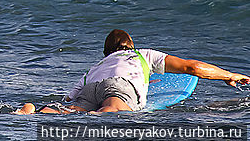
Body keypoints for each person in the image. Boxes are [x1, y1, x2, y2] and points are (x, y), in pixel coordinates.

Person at [15, 29, 249, 114]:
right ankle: (100, 113)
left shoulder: (94, 67)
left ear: (107, 52)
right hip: (120, 86)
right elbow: (192, 67)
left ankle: (34, 111)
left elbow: (69, 97)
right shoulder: (142, 55)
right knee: (111, 110)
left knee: (71, 110)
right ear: (131, 46)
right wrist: (229, 75)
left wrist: (67, 103)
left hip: (91, 87)